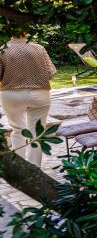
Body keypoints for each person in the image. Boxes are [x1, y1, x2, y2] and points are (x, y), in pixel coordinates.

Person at [0, 32, 57, 165]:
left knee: (18, 130)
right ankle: (35, 169)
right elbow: (51, 72)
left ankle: (19, 168)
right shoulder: (39, 48)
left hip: (12, 95)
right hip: (40, 94)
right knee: (37, 133)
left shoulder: (2, 50)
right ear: (26, 32)